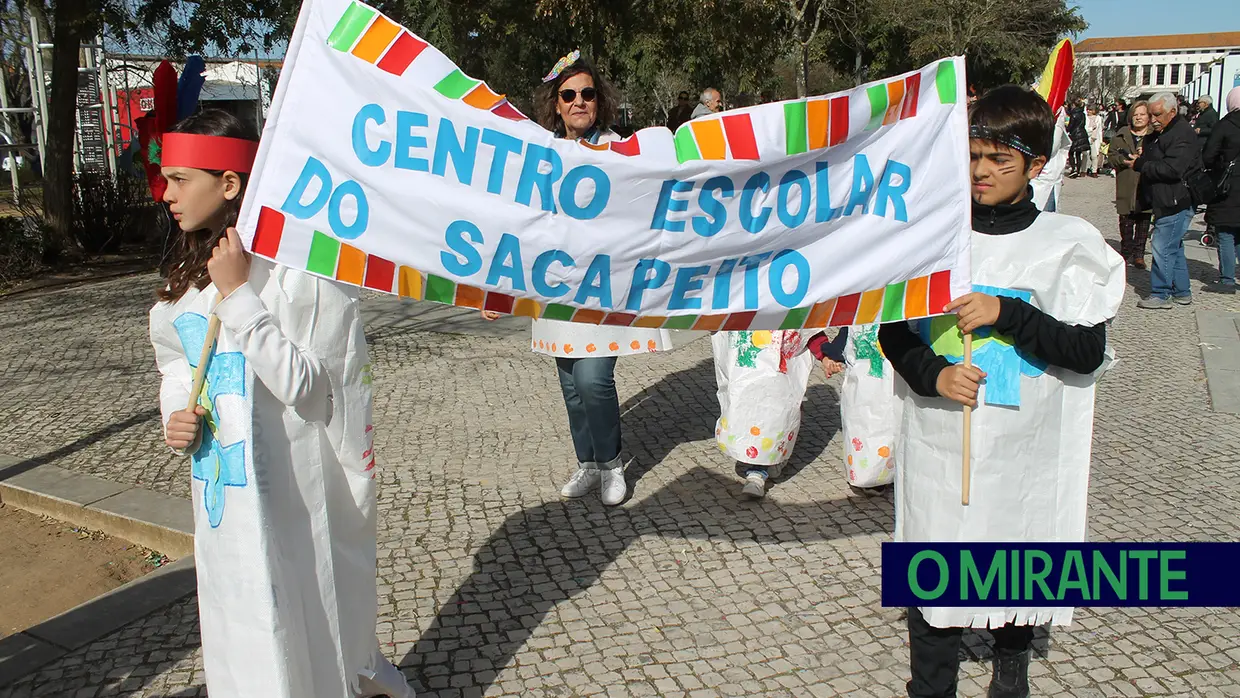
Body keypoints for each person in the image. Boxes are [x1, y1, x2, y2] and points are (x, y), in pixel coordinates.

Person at [150, 110, 411, 698]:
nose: (166, 194)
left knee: (301, 628)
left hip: (293, 500)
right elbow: (174, 358)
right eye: (165, 179)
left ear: (230, 184)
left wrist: (241, 298)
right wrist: (175, 410)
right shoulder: (185, 277)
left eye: (180, 179)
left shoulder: (300, 277)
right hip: (223, 494)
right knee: (237, 624)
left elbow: (312, 391)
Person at [878, 85, 1124, 698]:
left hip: (1023, 450)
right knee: (934, 565)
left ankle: (1012, 655)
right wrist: (933, 374)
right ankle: (930, 685)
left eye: (999, 160)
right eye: (972, 156)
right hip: (941, 441)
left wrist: (1006, 313)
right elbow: (894, 333)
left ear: (1036, 167)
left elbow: (1085, 351)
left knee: (1014, 560)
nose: (981, 172)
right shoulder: (932, 238)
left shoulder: (1067, 244)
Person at [485, 51, 674, 506]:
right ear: (555, 103)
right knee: (571, 386)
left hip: (603, 288)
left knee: (592, 378)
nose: (578, 102)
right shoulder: (539, 154)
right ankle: (587, 462)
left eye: (587, 94)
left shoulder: (618, 151)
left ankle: (611, 465)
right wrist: (496, 288)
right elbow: (519, 223)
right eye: (568, 95)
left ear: (599, 99)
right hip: (552, 288)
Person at [712, 330, 822, 498]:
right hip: (749, 364)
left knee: (775, 413)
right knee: (749, 410)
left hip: (779, 367)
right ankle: (762, 463)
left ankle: (758, 472)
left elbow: (811, 326)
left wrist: (825, 352)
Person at [1129, 92, 1201, 309]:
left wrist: (1141, 164)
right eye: (1151, 115)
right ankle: (1182, 291)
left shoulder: (1182, 134)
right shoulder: (1165, 132)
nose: (1153, 120)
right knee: (1173, 246)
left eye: (1157, 115)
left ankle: (1161, 293)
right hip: (1166, 198)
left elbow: (1172, 169)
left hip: (1176, 199)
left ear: (1172, 111)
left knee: (1162, 246)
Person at [814, 325, 900, 493]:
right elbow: (844, 338)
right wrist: (832, 357)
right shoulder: (857, 316)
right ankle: (870, 474)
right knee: (863, 428)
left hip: (890, 384)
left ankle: (887, 472)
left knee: (890, 427)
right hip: (861, 387)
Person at [1203, 87, 1240, 294]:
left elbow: (1208, 155)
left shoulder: (1225, 125)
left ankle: (1227, 279)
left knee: (1226, 233)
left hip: (1228, 186)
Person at [1109, 100, 1154, 268]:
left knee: (1143, 218)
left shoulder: (1154, 136)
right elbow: (1111, 156)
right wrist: (1124, 161)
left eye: (1142, 114)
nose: (1138, 118)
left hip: (1145, 182)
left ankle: (1139, 254)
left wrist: (1146, 155)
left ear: (1148, 117)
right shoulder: (1121, 135)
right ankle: (1126, 251)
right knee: (1126, 218)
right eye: (1135, 115)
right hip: (1126, 181)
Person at [1066, 98, 1089, 177]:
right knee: (1078, 154)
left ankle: (1073, 169)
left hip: (1075, 134)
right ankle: (1078, 170)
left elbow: (1071, 125)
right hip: (1082, 132)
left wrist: (1066, 129)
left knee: (1071, 152)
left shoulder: (1074, 114)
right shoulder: (1083, 114)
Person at [1086, 104, 1104, 177]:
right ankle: (1084, 170)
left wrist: (1101, 141)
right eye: (1088, 109)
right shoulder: (1085, 117)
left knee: (1094, 156)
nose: (1088, 111)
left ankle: (1094, 171)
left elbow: (1100, 130)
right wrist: (1090, 129)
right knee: (1085, 155)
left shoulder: (1098, 118)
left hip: (1095, 138)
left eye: (1090, 110)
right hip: (1087, 137)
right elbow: (1085, 128)